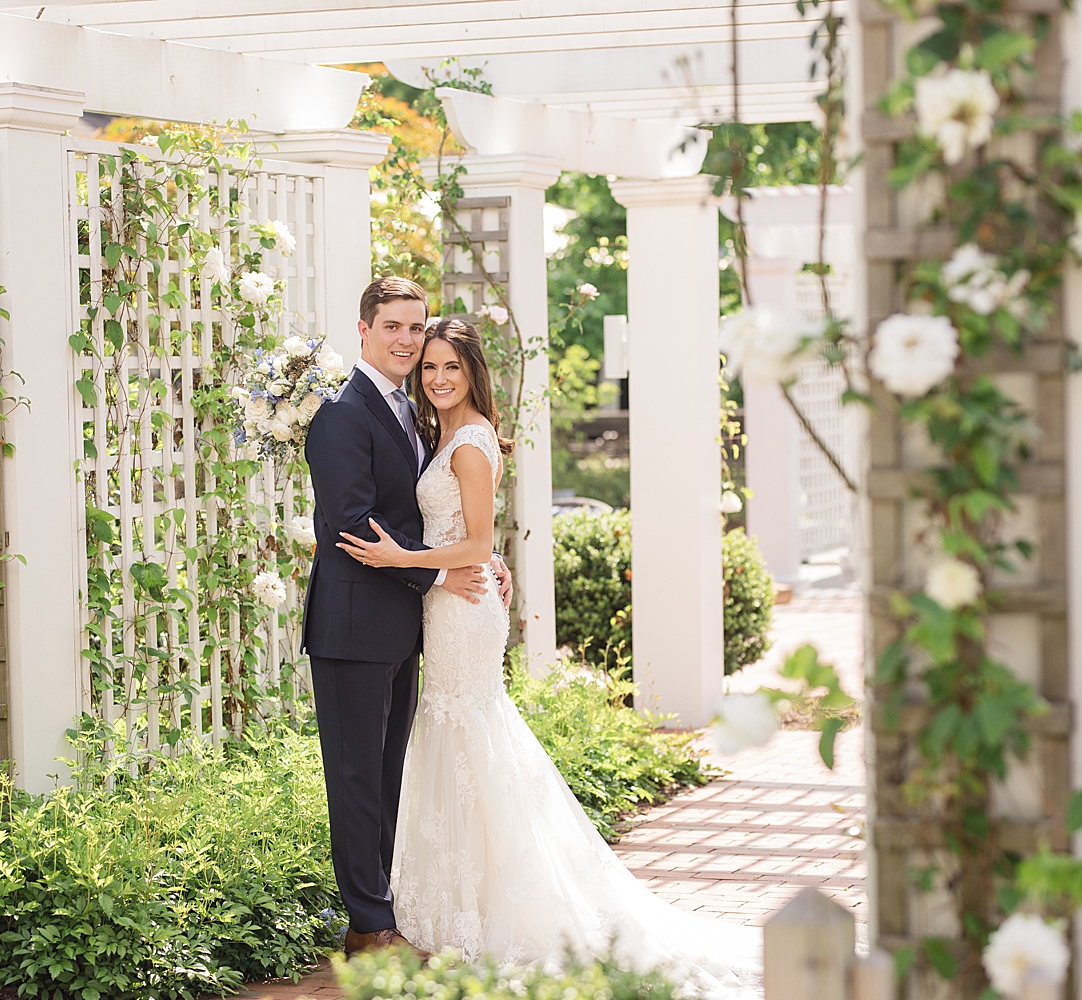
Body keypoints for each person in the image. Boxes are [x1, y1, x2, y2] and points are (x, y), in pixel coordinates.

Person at [337, 317, 760, 998]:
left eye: (452, 367)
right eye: (431, 368)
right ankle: (457, 905)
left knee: (469, 734)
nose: (439, 378)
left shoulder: (470, 444)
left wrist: (405, 559)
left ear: (475, 371)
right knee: (458, 740)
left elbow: (473, 544)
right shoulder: (441, 434)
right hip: (448, 604)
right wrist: (451, 560)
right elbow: (468, 536)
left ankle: (495, 909)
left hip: (461, 608)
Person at [302, 277, 512, 957]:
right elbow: (355, 526)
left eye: (415, 327)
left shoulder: (413, 416)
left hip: (405, 626)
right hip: (354, 629)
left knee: (391, 775)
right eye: (393, 325)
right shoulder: (342, 413)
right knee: (359, 779)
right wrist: (443, 571)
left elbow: (435, 512)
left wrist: (480, 557)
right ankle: (369, 926)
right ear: (363, 329)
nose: (406, 339)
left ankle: (385, 908)